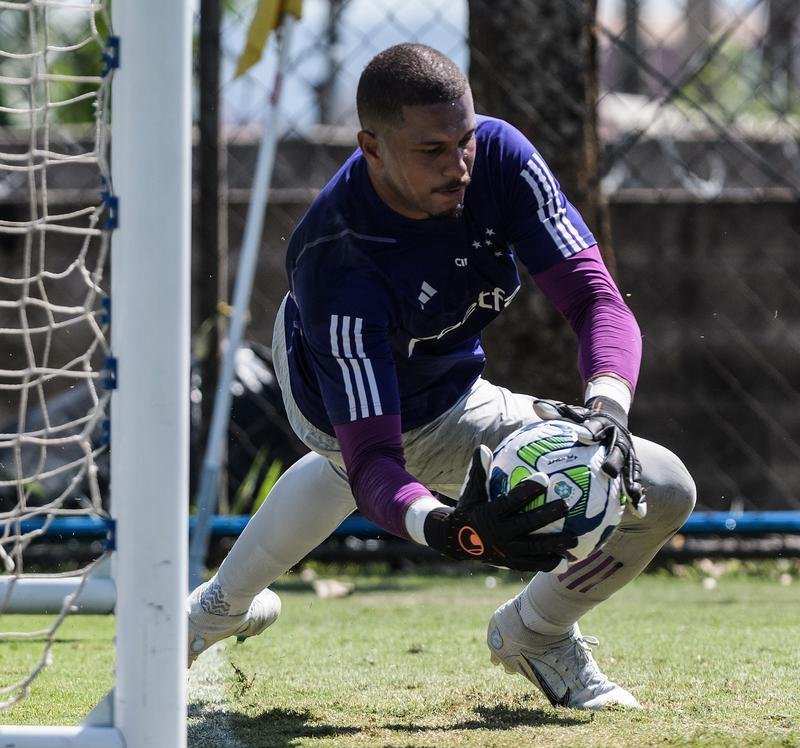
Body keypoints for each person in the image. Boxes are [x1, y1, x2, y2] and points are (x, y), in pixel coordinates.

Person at [187, 43, 696, 710]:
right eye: (431, 150)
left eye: (464, 141)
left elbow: (596, 300)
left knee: (663, 487)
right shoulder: (339, 259)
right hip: (326, 382)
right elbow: (374, 461)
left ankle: (220, 606)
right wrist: (452, 529)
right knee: (353, 459)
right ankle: (539, 637)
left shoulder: (501, 156)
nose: (458, 166)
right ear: (372, 148)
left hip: (450, 380)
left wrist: (609, 412)